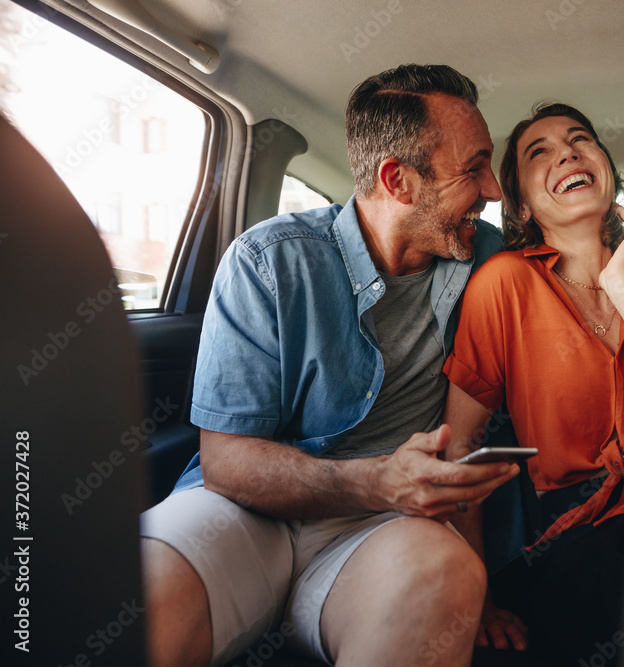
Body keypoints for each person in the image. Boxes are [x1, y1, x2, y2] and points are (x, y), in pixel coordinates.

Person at [139, 64, 521, 667]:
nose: (493, 191)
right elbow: (227, 464)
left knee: (448, 580)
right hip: (245, 512)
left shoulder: (488, 259)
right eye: (473, 169)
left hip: (382, 529)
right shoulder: (267, 262)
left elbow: (579, 269)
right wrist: (376, 478)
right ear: (398, 181)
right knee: (147, 595)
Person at [442, 102, 624, 666]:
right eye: (541, 152)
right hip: (576, 529)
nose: (567, 153)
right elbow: (464, 450)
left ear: (606, 168)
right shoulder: (504, 284)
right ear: (524, 206)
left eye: (581, 140)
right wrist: (474, 593)